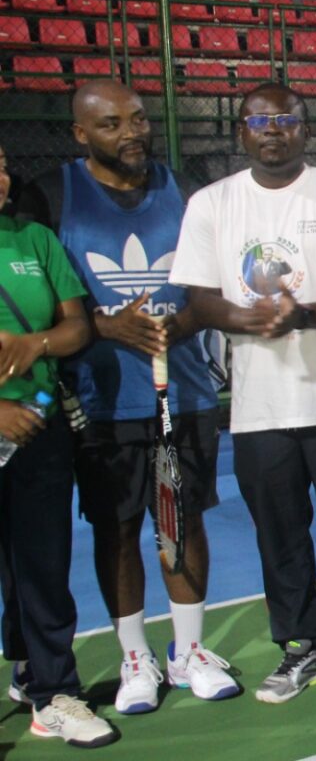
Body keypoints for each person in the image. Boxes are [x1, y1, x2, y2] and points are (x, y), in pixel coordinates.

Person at [169, 83, 316, 706]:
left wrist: (299, 317)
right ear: (240, 132)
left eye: (285, 119)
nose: (272, 130)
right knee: (279, 533)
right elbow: (199, 299)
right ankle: (304, 647)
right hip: (258, 407)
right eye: (258, 120)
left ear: (307, 129)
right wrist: (255, 319)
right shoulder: (212, 204)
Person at [21, 81, 236, 717]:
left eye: (139, 118)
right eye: (112, 124)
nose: (132, 132)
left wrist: (185, 323)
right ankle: (135, 656)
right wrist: (106, 326)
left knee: (182, 520)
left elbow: (209, 285)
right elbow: (41, 293)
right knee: (116, 529)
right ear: (81, 134)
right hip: (102, 399)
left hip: (185, 392)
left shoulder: (183, 189)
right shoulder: (52, 194)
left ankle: (190, 651)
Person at [0, 140, 112, 748]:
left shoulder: (34, 240)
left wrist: (36, 346)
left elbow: (76, 324)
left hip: (37, 432)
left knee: (41, 565)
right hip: (5, 420)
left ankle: (50, 691)